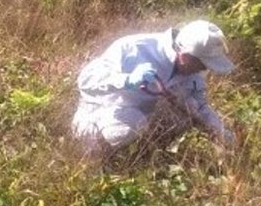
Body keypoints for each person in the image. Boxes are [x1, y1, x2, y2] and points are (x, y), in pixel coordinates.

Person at [71, 19, 236, 151]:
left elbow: (199, 106)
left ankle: (144, 148)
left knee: (184, 115)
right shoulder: (134, 48)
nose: (204, 69)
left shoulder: (192, 73)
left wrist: (222, 133)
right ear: (185, 55)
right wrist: (126, 80)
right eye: (202, 63)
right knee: (132, 125)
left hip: (139, 117)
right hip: (98, 112)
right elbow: (86, 81)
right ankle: (102, 158)